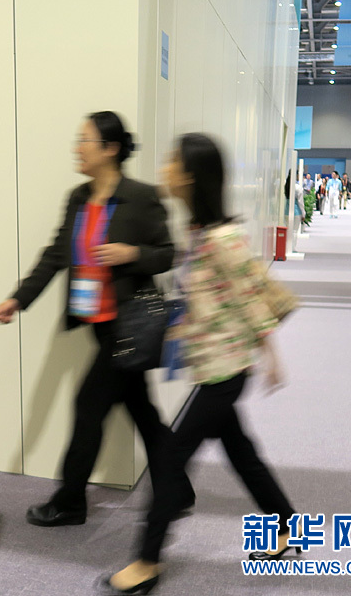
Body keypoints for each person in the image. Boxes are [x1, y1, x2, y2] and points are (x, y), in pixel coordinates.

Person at [104, 134, 297, 595]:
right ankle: (286, 524)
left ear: (190, 176)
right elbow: (210, 297)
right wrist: (180, 329)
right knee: (241, 452)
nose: (165, 168)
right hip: (213, 365)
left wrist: (271, 356)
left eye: (172, 161)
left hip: (225, 372)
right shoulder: (198, 232)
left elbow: (251, 297)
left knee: (170, 459)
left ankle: (147, 561)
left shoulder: (222, 239)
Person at [0, 111, 192, 527]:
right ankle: (176, 488)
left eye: (85, 141)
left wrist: (132, 253)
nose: (77, 149)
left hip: (127, 325)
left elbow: (168, 253)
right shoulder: (78, 198)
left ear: (110, 149)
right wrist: (18, 299)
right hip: (99, 325)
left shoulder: (141, 196)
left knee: (88, 407)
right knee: (142, 412)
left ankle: (70, 501)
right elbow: (55, 255)